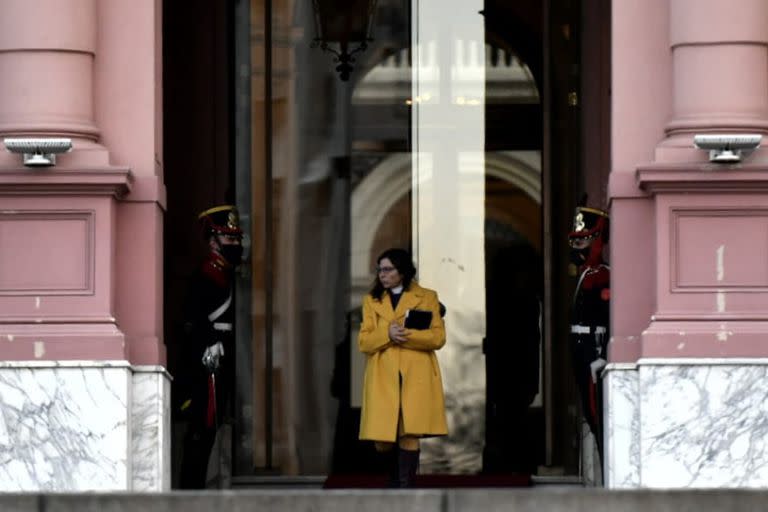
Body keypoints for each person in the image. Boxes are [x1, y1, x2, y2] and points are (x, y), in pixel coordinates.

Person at [357, 248, 448, 488]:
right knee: (383, 437)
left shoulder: (427, 297)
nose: (382, 275)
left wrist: (405, 335)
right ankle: (393, 479)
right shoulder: (371, 300)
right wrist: (386, 334)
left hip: (415, 374)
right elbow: (364, 342)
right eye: (380, 270)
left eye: (388, 269)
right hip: (383, 374)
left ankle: (405, 484)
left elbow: (437, 338)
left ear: (402, 272)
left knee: (410, 432)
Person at [177, 204, 244, 489]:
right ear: (213, 242)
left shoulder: (228, 276)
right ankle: (190, 492)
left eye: (237, 239)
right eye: (230, 239)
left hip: (226, 359)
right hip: (206, 363)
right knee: (201, 432)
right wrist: (208, 344)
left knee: (214, 430)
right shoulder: (205, 275)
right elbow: (191, 318)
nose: (236, 244)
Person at [567, 205, 610, 458]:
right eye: (575, 241)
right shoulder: (586, 275)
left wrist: (602, 354)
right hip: (581, 347)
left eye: (582, 240)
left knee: (597, 414)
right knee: (589, 411)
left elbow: (608, 317)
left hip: (594, 348)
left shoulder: (603, 276)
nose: (577, 248)